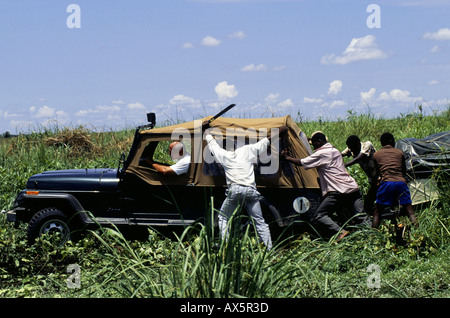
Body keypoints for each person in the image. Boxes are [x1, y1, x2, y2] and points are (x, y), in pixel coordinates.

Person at [202, 121, 287, 250]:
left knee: (223, 218)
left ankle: (226, 245)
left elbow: (212, 144)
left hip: (235, 190)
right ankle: (269, 249)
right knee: (260, 222)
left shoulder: (224, 156)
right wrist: (279, 131)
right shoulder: (247, 151)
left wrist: (206, 130)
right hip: (251, 191)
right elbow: (265, 142)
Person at [282, 132, 370, 240]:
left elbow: (301, 162)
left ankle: (341, 232)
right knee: (360, 215)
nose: (314, 147)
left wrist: (286, 157)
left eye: (314, 144)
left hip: (338, 190)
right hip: (352, 187)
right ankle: (373, 236)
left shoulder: (322, 153)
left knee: (320, 215)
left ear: (319, 142)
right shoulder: (335, 151)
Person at [372, 132, 418, 228]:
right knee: (409, 211)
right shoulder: (399, 152)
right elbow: (404, 170)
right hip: (401, 183)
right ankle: (418, 232)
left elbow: (376, 173)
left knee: (377, 212)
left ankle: (373, 236)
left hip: (386, 183)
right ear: (392, 141)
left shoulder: (376, 155)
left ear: (381, 143)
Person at [341, 135, 378, 213]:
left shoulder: (367, 145)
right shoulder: (351, 148)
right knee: (371, 201)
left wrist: (344, 165)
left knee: (369, 201)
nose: (351, 150)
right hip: (371, 178)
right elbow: (341, 154)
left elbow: (359, 157)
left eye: (352, 148)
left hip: (379, 176)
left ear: (358, 144)